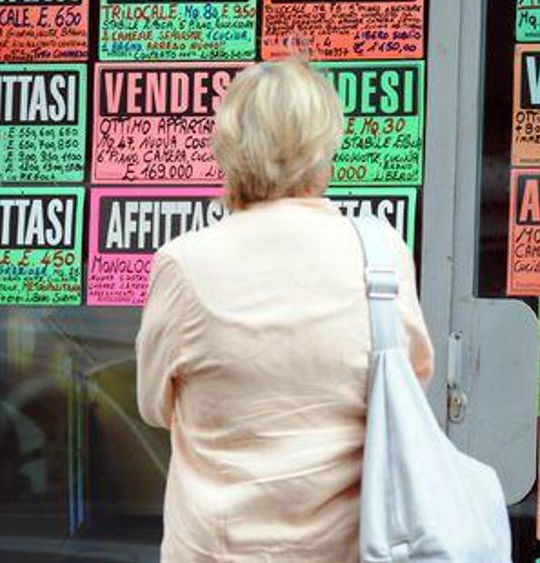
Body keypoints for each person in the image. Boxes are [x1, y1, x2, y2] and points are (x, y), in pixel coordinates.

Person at [135, 57, 435, 562]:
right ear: (324, 149)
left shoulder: (184, 264)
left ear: (229, 147)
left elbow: (153, 405)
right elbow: (411, 384)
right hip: (350, 549)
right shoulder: (379, 255)